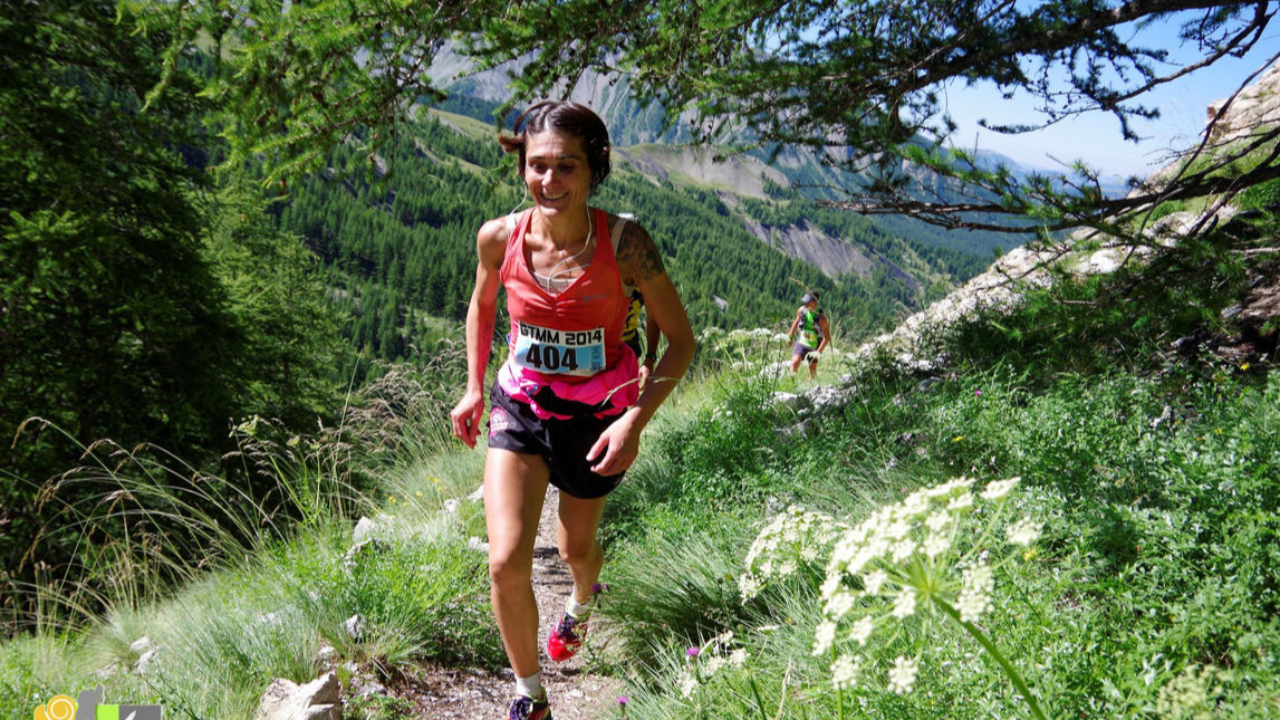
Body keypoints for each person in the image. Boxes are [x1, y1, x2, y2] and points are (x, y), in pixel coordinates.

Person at [449, 101, 695, 720]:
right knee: (505, 559)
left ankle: (583, 601)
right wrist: (474, 387)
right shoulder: (499, 237)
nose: (549, 182)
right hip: (521, 405)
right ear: (522, 167)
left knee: (575, 549)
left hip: (600, 419)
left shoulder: (627, 245)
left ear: (594, 170)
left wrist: (634, 420)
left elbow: (682, 341)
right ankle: (530, 696)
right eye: (537, 167)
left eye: (566, 167)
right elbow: (483, 307)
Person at [621, 288, 663, 389]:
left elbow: (653, 314)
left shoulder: (643, 276)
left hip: (628, 351)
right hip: (599, 351)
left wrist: (649, 359)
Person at [788, 291, 831, 379]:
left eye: (808, 302)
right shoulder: (801, 311)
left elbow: (827, 338)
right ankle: (790, 384)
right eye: (805, 301)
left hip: (814, 346)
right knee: (795, 362)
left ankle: (809, 389)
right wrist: (790, 337)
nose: (805, 304)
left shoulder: (822, 319)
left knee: (812, 370)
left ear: (815, 302)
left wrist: (818, 352)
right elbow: (796, 322)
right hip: (801, 342)